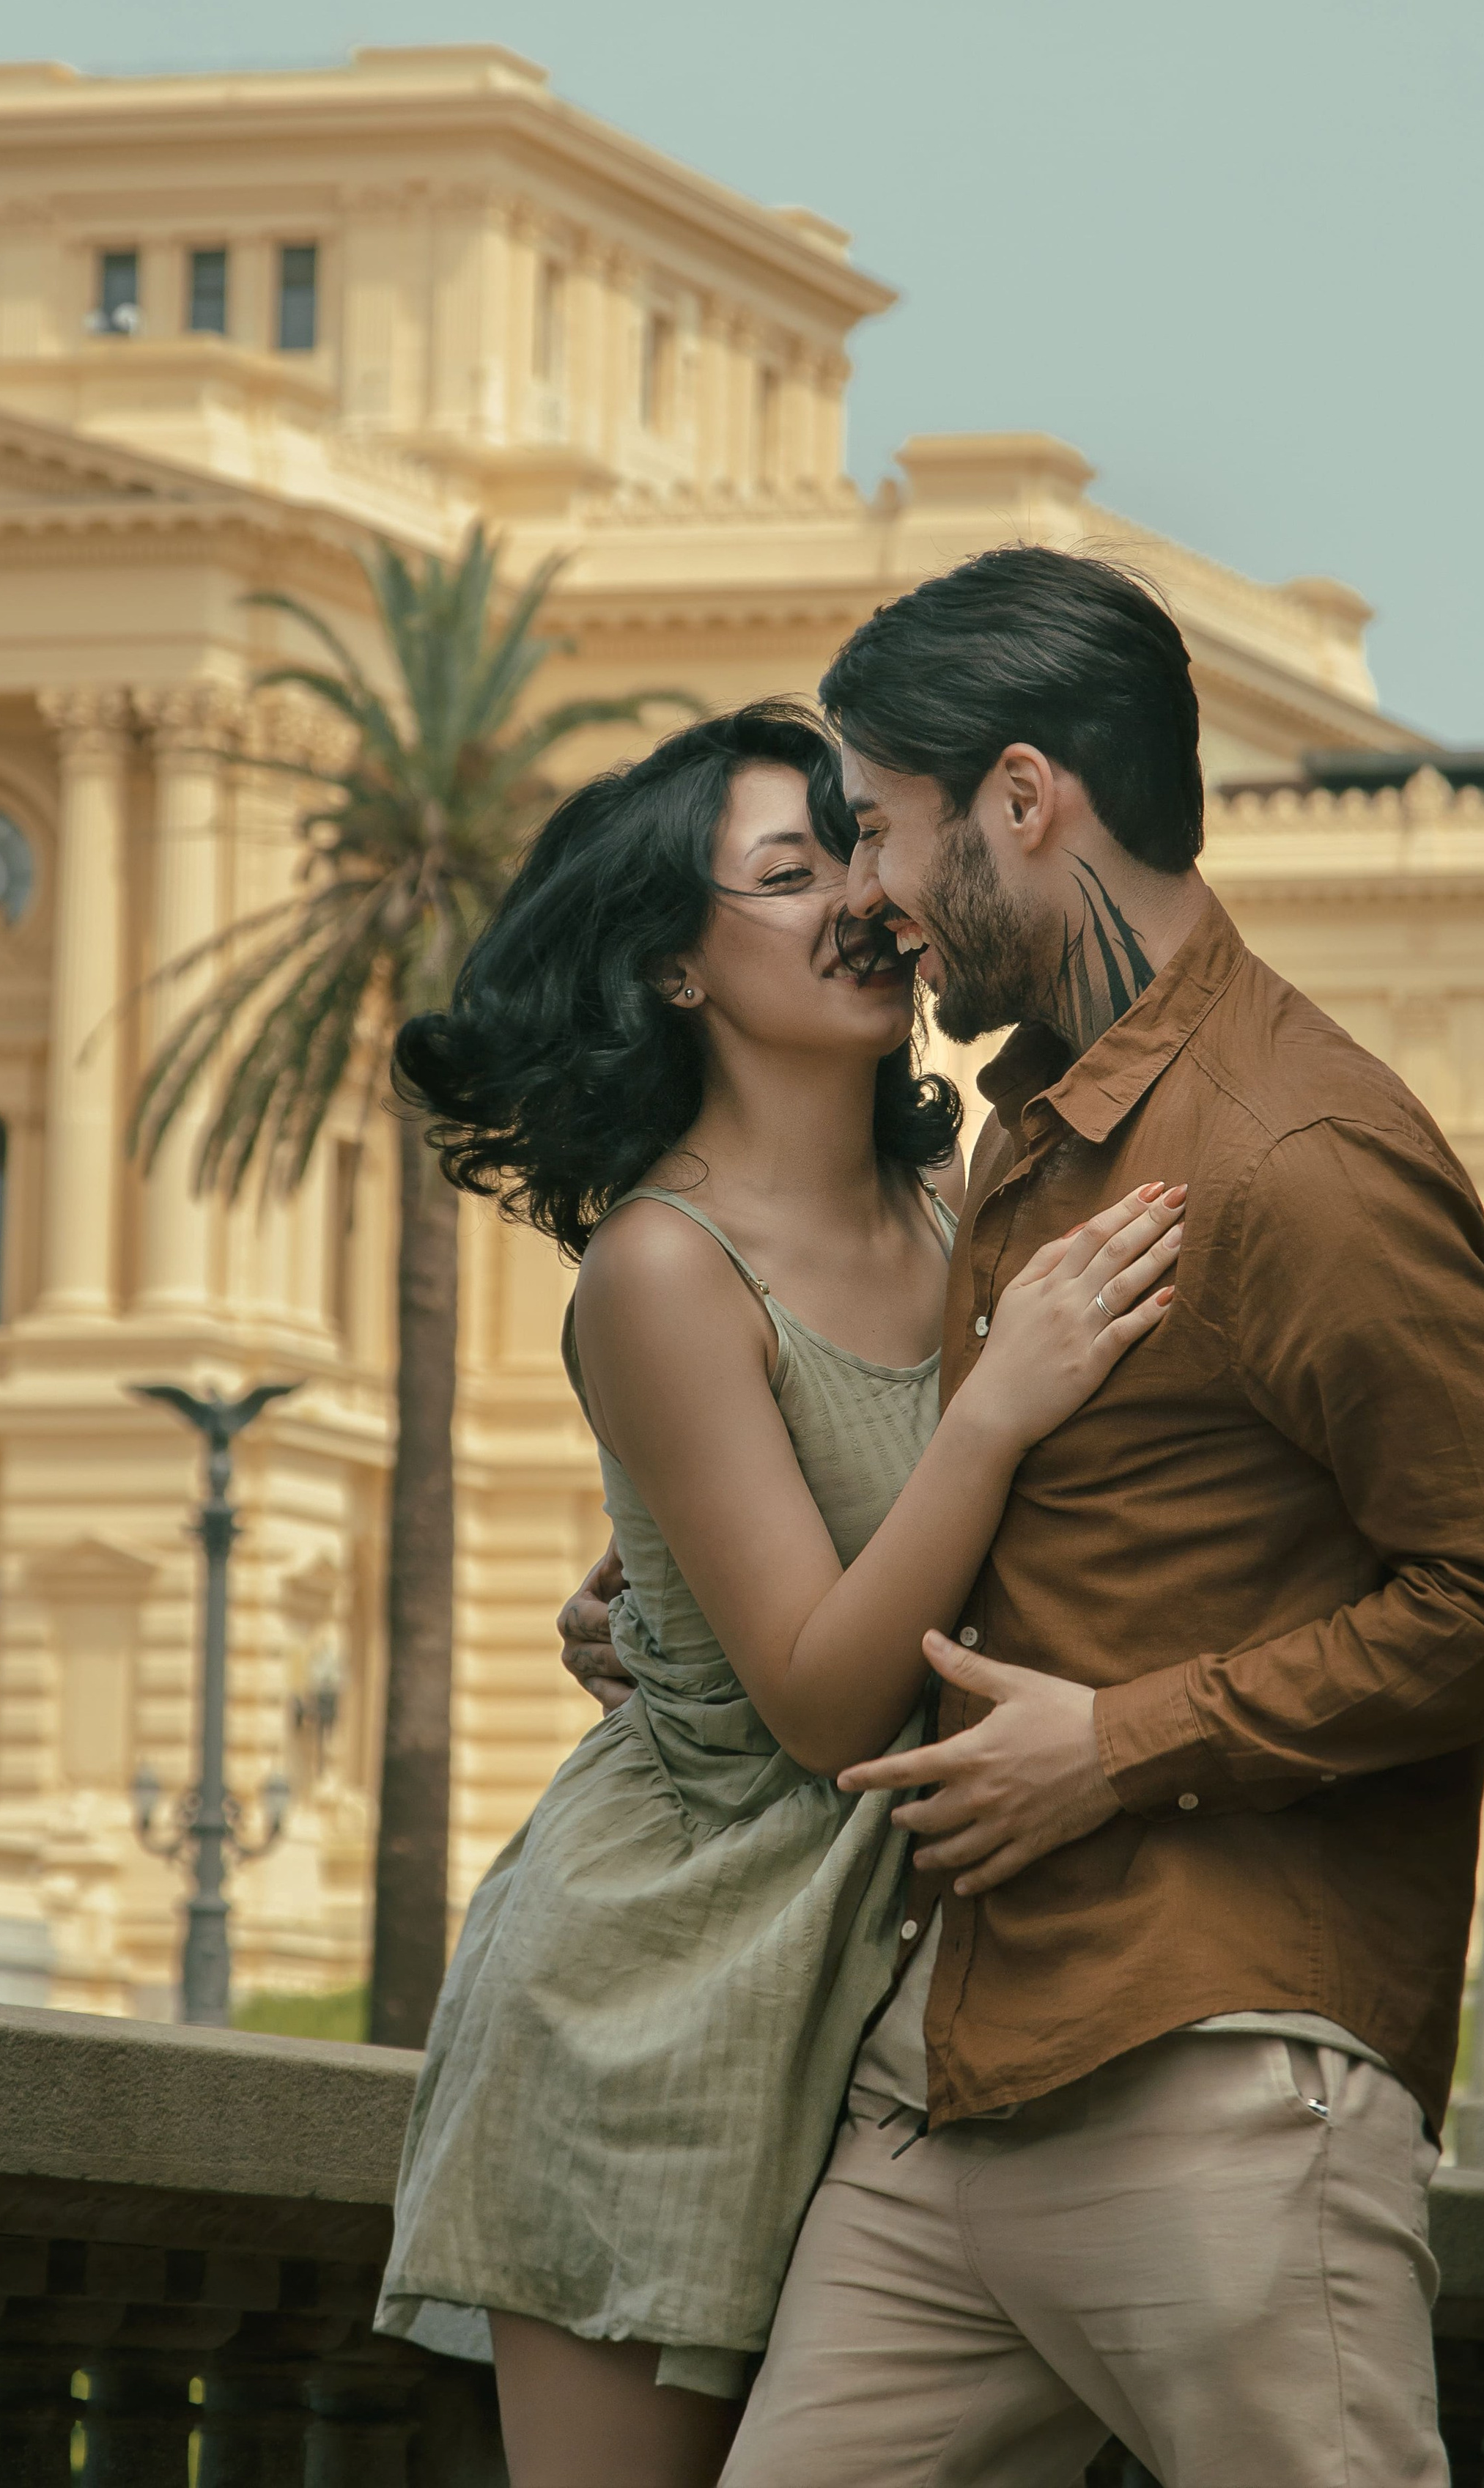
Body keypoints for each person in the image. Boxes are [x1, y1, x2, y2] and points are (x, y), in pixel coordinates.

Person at [562, 551, 1484, 2488]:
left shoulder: (1299, 1155)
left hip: (1214, 2083)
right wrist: (686, 1584)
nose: (862, 888)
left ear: (1027, 801)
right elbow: (988, 1480)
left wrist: (1121, 1740)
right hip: (946, 2079)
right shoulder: (1028, 1128)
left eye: (876, 825)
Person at [374, 700, 1183, 2488]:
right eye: (782, 872)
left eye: (857, 855)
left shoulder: (961, 1195)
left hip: (893, 1988)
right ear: (671, 968)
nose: (858, 902)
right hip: (657, 2002)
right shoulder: (664, 1266)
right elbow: (820, 1705)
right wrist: (995, 1405)